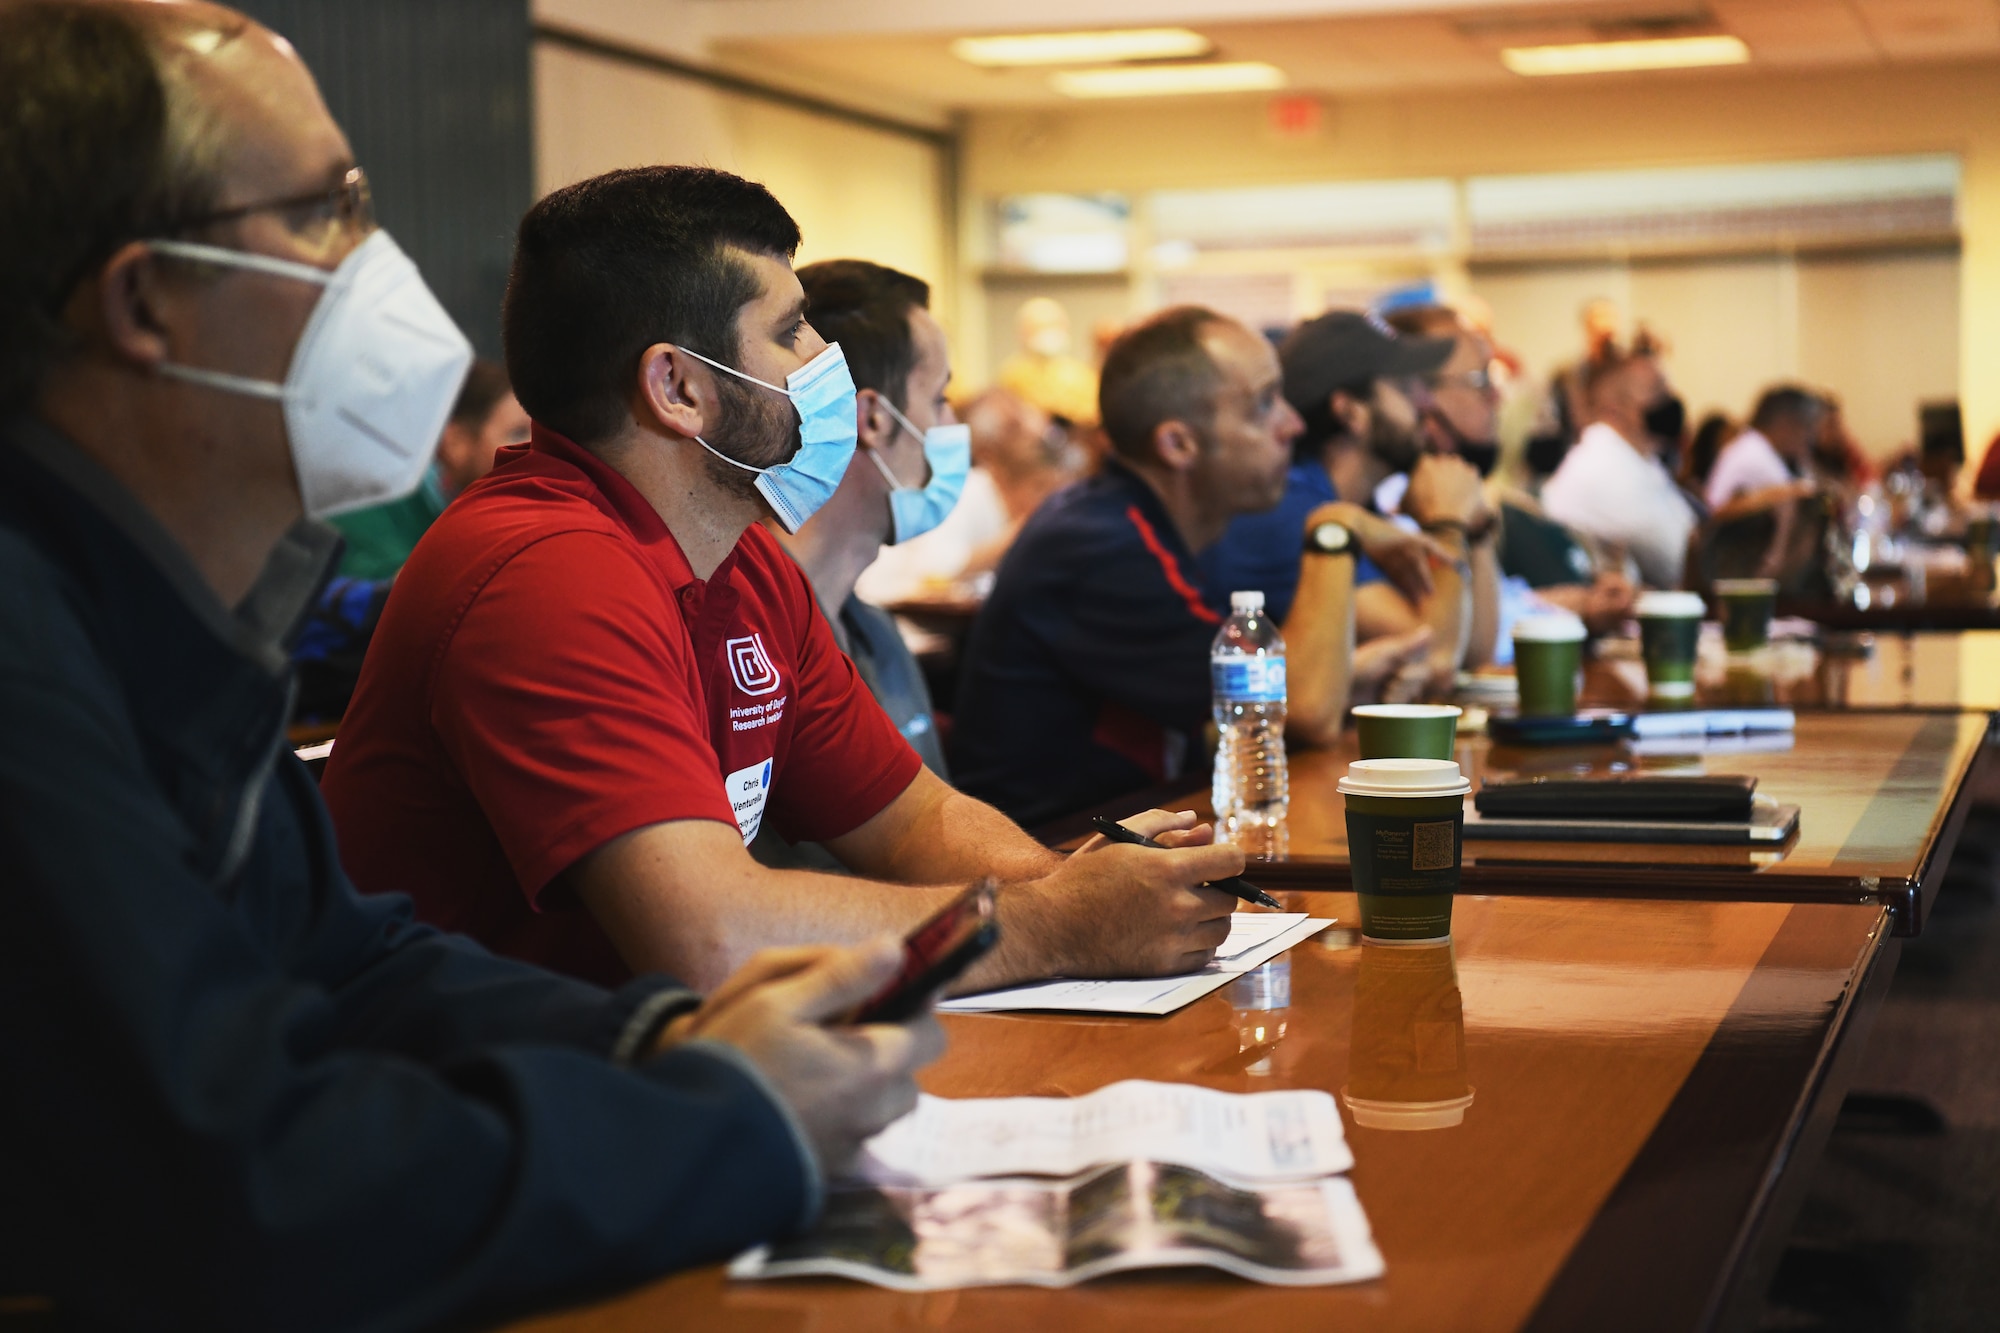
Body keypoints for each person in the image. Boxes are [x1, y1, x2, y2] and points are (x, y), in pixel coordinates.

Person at [0, 4, 938, 1326]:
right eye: (328, 209)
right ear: (145, 298)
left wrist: (655, 1043)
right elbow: (244, 1174)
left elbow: (352, 962)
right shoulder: (28, 655)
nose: (380, 257)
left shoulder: (153, 611)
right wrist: (718, 1116)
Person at [321, 165, 1244, 996]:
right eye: (792, 331)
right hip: (465, 1123)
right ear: (678, 388)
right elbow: (712, 937)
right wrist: (1058, 923)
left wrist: (1089, 883)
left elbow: (912, 820)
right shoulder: (545, 573)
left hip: (626, 1088)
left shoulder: (743, 557)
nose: (825, 361)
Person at [950, 306, 1441, 827]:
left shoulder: (1144, 524)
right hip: (1050, 863)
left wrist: (1352, 674)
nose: (1293, 424)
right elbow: (1303, 710)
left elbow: (1240, 702)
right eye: (1263, 405)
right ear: (1178, 444)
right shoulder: (1101, 547)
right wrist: (1334, 529)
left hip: (1132, 837)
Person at [750, 259, 958, 870]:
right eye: (940, 398)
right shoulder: (751, 641)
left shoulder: (874, 631)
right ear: (871, 418)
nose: (952, 427)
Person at [1200, 310, 1492, 690]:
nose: (1425, 403)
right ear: (1350, 411)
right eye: (1404, 389)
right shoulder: (1292, 510)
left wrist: (1480, 530)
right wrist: (1448, 523)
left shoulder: (1354, 507)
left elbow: (1474, 651)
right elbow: (1434, 657)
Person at [856, 386, 1081, 605]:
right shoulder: (968, 490)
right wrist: (1024, 532)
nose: (1034, 436)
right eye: (1015, 429)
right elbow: (937, 570)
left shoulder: (1001, 496)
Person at [327, 357, 530, 577]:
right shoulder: (371, 503)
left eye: (541, 434)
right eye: (518, 433)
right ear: (455, 442)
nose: (535, 449)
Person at [1540, 333, 1698, 589]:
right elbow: (1680, 560)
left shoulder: (1639, 458)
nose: (1670, 399)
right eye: (1657, 390)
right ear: (1613, 409)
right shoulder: (1603, 465)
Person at [1704, 386, 1825, 512]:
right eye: (1808, 428)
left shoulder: (1750, 446)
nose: (1812, 439)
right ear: (1786, 424)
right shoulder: (1757, 459)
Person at [998, 295, 1099, 426]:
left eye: (1053, 325)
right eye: (1038, 327)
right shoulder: (1012, 376)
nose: (1047, 332)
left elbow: (1091, 416)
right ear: (1023, 332)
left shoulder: (1082, 376)